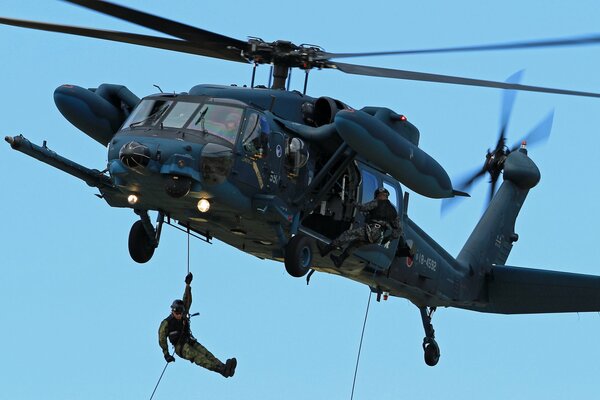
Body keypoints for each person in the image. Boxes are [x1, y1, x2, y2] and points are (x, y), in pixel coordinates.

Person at [158, 273, 237, 378]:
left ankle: (225, 368)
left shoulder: (182, 314)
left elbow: (186, 300)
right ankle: (221, 370)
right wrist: (166, 354)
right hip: (181, 347)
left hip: (189, 340)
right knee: (199, 358)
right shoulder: (167, 323)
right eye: (177, 313)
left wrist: (187, 285)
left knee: (206, 354)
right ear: (172, 311)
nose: (179, 315)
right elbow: (162, 338)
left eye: (181, 313)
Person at [318, 187, 410, 268]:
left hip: (371, 231)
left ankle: (325, 250)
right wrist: (388, 238)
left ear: (379, 195)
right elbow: (398, 230)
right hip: (377, 237)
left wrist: (353, 202)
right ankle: (340, 260)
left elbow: (363, 208)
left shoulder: (377, 202)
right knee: (355, 244)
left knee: (347, 234)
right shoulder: (393, 211)